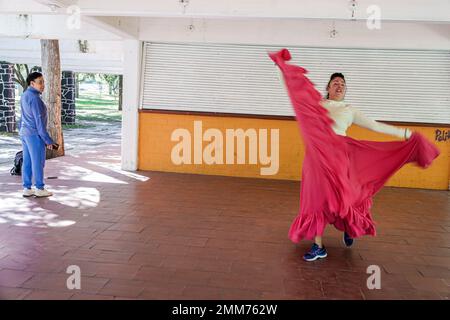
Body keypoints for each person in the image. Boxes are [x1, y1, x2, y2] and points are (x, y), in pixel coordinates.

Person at [269, 49, 440, 262]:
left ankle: (350, 226)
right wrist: (280, 67)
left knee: (344, 196)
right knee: (315, 200)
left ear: (345, 90)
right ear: (328, 88)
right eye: (335, 83)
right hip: (315, 157)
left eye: (342, 84)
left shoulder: (349, 109)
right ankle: (318, 246)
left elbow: (375, 126)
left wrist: (406, 134)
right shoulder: (317, 106)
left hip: (339, 156)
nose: (339, 86)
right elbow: (292, 91)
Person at [18, 72, 56, 198]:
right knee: (38, 161)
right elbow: (39, 122)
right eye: (40, 82)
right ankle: (39, 188)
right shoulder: (35, 99)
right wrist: (48, 140)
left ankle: (27, 188)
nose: (43, 85)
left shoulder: (25, 95)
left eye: (43, 82)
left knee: (28, 161)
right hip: (34, 134)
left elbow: (22, 116)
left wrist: (22, 131)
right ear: (32, 83)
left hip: (25, 133)